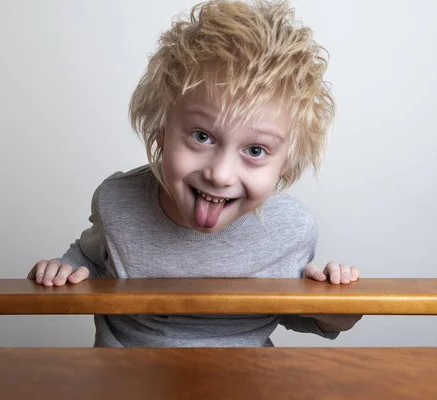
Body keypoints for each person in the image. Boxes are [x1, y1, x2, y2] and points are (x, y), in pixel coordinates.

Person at [27, 0, 362, 347]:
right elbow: (91, 259)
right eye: (202, 137)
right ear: (161, 131)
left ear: (286, 165)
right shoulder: (119, 202)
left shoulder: (292, 228)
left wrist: (336, 308)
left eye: (255, 150)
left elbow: (292, 311)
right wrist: (64, 269)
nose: (220, 174)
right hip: (127, 380)